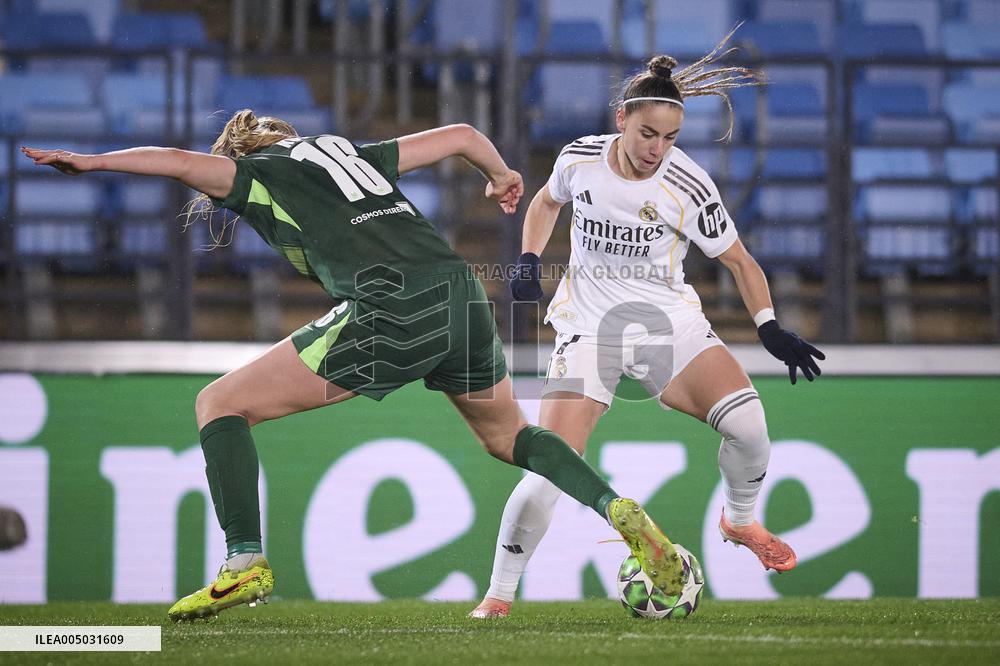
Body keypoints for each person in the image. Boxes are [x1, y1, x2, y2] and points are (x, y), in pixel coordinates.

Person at [23, 111, 687, 621]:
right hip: (459, 295)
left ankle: (245, 560)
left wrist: (92, 161)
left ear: (240, 152)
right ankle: (615, 506)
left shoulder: (252, 173)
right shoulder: (354, 156)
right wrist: (502, 177)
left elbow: (174, 161)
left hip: (389, 307)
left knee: (219, 404)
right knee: (509, 437)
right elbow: (460, 132)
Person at [470, 33, 825, 618]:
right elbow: (544, 202)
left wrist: (767, 325)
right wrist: (530, 259)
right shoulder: (579, 157)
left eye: (670, 138)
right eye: (647, 134)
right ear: (622, 121)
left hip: (666, 322)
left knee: (751, 428)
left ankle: (739, 523)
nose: (658, 149)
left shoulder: (687, 184)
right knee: (551, 464)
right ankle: (499, 595)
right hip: (590, 325)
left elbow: (739, 259)